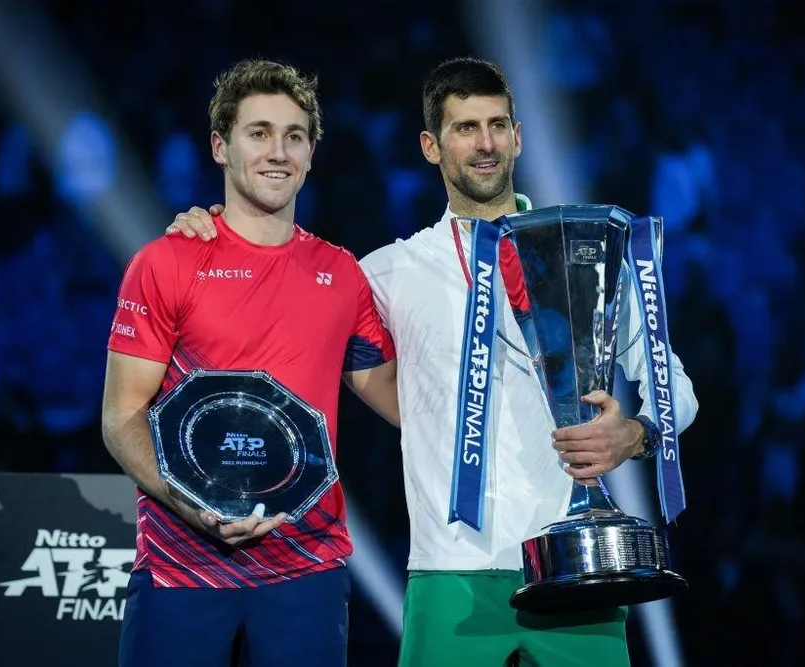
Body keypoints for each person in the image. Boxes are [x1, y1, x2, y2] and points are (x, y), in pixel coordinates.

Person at [165, 57, 699, 667]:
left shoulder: (583, 254)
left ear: (519, 137)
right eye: (465, 128)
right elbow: (278, 302)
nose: (486, 143)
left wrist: (634, 433)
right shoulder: (389, 272)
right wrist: (212, 230)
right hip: (450, 574)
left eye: (498, 124)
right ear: (431, 146)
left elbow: (673, 385)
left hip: (577, 565)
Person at [102, 58, 398, 667]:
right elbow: (121, 414)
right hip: (182, 565)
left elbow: (397, 398)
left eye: (295, 136)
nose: (278, 151)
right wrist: (190, 504)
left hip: (306, 568)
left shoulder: (342, 275)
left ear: (312, 153)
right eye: (258, 132)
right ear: (220, 146)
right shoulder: (166, 263)